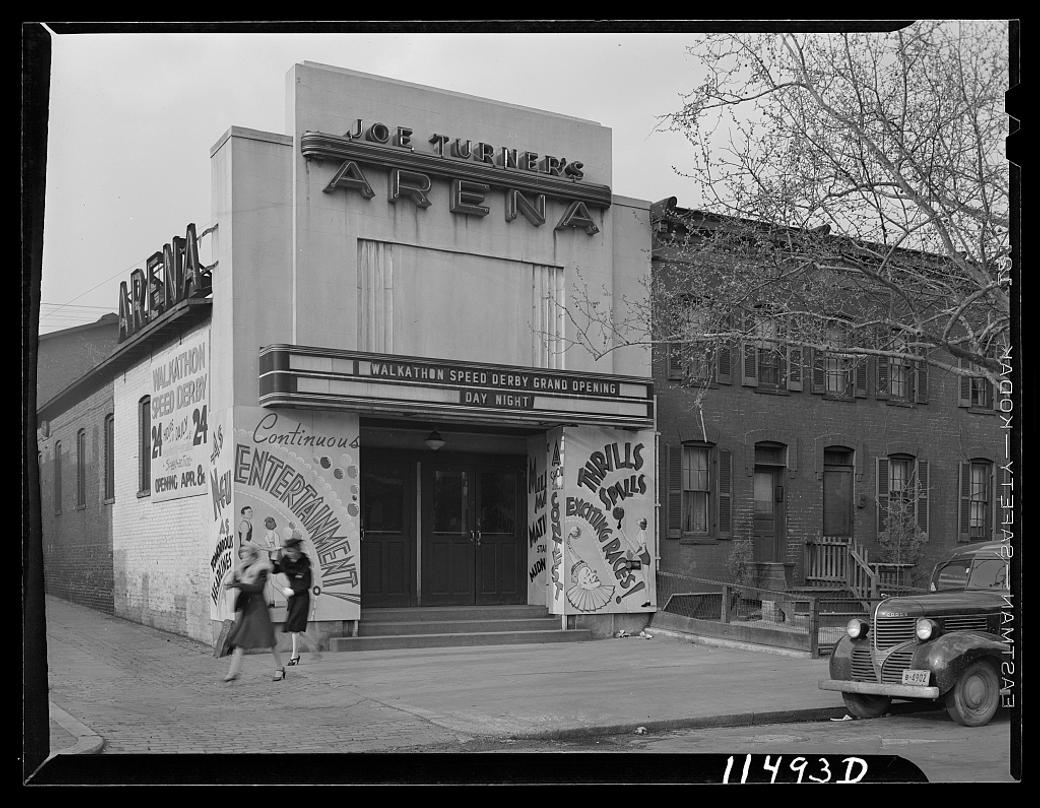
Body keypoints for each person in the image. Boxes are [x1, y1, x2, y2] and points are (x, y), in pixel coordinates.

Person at [222, 542, 286, 682]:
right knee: (240, 641)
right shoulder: (242, 570)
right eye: (242, 557)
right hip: (247, 609)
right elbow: (236, 581)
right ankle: (233, 672)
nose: (243, 560)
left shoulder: (261, 569)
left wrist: (237, 584)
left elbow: (257, 588)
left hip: (259, 609)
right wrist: (230, 583)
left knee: (269, 641)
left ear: (253, 556)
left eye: (246, 557)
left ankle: (280, 668)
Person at [272, 537, 322, 666]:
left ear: (297, 551)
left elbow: (306, 584)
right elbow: (275, 569)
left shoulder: (305, 565)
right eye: (287, 551)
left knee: (295, 626)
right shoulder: (286, 562)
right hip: (293, 598)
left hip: (302, 597)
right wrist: (274, 556)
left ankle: (295, 656)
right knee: (294, 627)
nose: (289, 554)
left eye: (292, 551)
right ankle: (313, 648)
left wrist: (293, 591)